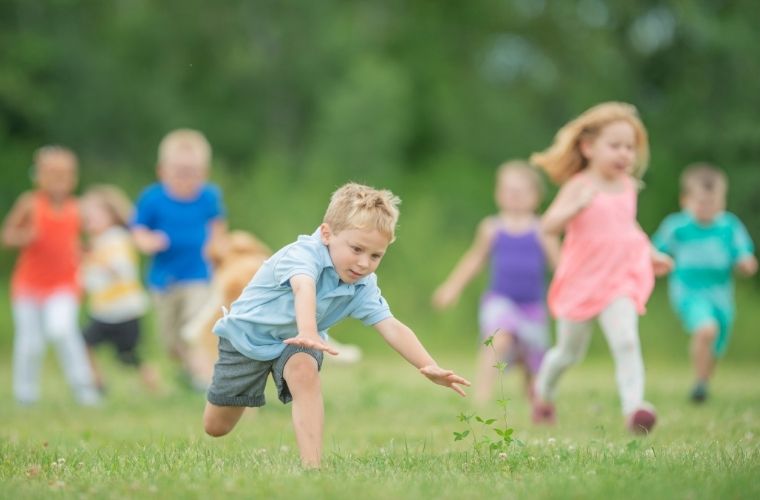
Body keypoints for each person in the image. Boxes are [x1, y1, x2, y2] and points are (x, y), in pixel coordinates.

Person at [203, 182, 470, 468]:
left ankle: (313, 466)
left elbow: (391, 325)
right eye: (356, 249)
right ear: (327, 234)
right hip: (246, 338)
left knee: (304, 367)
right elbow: (303, 288)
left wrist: (426, 365)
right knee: (216, 427)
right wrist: (307, 330)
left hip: (299, 342)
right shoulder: (303, 254)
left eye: (375, 255)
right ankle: (245, 388)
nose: (364, 263)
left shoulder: (361, 284)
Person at [529, 102, 672, 434]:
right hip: (581, 281)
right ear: (588, 147)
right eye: (615, 145)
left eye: (630, 147)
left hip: (618, 280)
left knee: (626, 341)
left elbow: (628, 225)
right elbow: (547, 226)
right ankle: (544, 394)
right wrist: (573, 210)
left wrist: (651, 252)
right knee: (568, 353)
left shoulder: (627, 186)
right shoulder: (579, 186)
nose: (625, 154)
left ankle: (634, 409)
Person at [432, 161, 559, 405]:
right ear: (498, 194)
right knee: (498, 340)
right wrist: (452, 287)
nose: (514, 197)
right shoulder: (492, 228)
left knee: (532, 360)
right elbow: (474, 260)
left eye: (521, 192)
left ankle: (537, 400)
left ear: (535, 197)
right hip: (500, 300)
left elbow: (559, 265)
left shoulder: (543, 229)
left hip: (532, 306)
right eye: (508, 191)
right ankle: (482, 396)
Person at [1, 146, 100, 405]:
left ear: (73, 178)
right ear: (39, 176)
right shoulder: (30, 203)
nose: (58, 181)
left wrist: (85, 252)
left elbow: (80, 242)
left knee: (62, 329)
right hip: (28, 286)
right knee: (30, 342)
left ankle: (84, 388)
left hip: (64, 284)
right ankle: (25, 395)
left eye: (64, 175)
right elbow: (7, 235)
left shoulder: (76, 208)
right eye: (52, 174)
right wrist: (26, 236)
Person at [652, 164, 757, 403]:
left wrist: (745, 261)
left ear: (722, 201)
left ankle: (703, 383)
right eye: (700, 202)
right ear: (685, 201)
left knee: (716, 342)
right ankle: (700, 384)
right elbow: (655, 249)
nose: (706, 208)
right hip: (688, 291)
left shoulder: (729, 226)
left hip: (721, 295)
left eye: (713, 202)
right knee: (705, 330)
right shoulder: (677, 227)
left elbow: (743, 251)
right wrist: (654, 263)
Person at [132, 129, 227, 390]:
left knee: (196, 328)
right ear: (162, 171)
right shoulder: (152, 199)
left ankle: (207, 381)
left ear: (204, 173)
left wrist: (218, 250)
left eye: (193, 172)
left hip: (199, 274)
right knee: (171, 340)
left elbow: (217, 227)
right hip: (164, 279)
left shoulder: (208, 196)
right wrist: (147, 241)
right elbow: (138, 230)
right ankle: (189, 369)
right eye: (180, 171)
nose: (186, 178)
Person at [80, 185, 161, 393]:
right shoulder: (97, 242)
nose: (89, 221)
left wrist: (94, 259)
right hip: (104, 311)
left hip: (125, 310)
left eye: (94, 216)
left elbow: (121, 269)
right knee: (83, 343)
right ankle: (97, 383)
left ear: (111, 215)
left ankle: (154, 385)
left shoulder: (117, 238)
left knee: (128, 355)